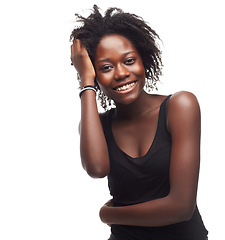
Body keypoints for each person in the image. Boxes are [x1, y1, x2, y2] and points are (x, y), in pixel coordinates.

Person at [70, 5, 208, 240]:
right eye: (106, 67)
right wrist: (86, 82)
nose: (121, 73)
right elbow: (96, 169)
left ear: (144, 59)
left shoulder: (180, 106)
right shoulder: (96, 125)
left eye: (129, 60)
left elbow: (181, 208)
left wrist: (108, 215)